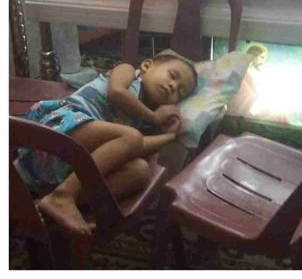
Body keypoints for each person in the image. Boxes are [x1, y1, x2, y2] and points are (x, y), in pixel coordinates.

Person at [14, 54, 198, 236]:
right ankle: (63, 196)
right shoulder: (128, 72)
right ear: (147, 66)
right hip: (56, 132)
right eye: (172, 75)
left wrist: (169, 136)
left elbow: (135, 147)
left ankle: (54, 201)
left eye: (180, 92)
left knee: (140, 171)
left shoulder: (143, 122)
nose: (173, 86)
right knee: (132, 137)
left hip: (66, 169)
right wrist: (154, 117)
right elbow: (116, 92)